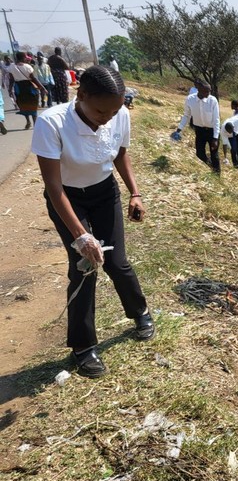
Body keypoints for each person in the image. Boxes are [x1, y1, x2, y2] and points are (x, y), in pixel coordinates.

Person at [31, 65, 155, 378]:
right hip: (68, 198)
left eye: (114, 111)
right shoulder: (52, 123)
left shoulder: (118, 114)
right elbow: (54, 187)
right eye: (101, 111)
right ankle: (83, 346)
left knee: (117, 261)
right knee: (84, 268)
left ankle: (140, 311)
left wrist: (135, 194)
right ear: (81, 95)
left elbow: (120, 154)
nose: (108, 119)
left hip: (104, 192)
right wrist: (81, 235)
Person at [172, 81, 220, 174]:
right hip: (200, 131)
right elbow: (186, 115)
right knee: (199, 154)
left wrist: (215, 138)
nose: (208, 93)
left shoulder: (213, 100)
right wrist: (179, 129)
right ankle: (211, 166)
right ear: (199, 90)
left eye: (209, 91)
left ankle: (217, 175)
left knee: (214, 155)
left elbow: (216, 120)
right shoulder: (190, 100)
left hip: (212, 131)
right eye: (206, 91)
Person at [8, 51, 49, 129]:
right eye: (25, 57)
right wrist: (42, 88)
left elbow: (11, 80)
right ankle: (35, 123)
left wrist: (10, 90)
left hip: (19, 88)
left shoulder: (12, 67)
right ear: (23, 58)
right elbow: (33, 78)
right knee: (33, 104)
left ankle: (28, 122)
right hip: (29, 87)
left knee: (23, 105)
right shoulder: (27, 67)